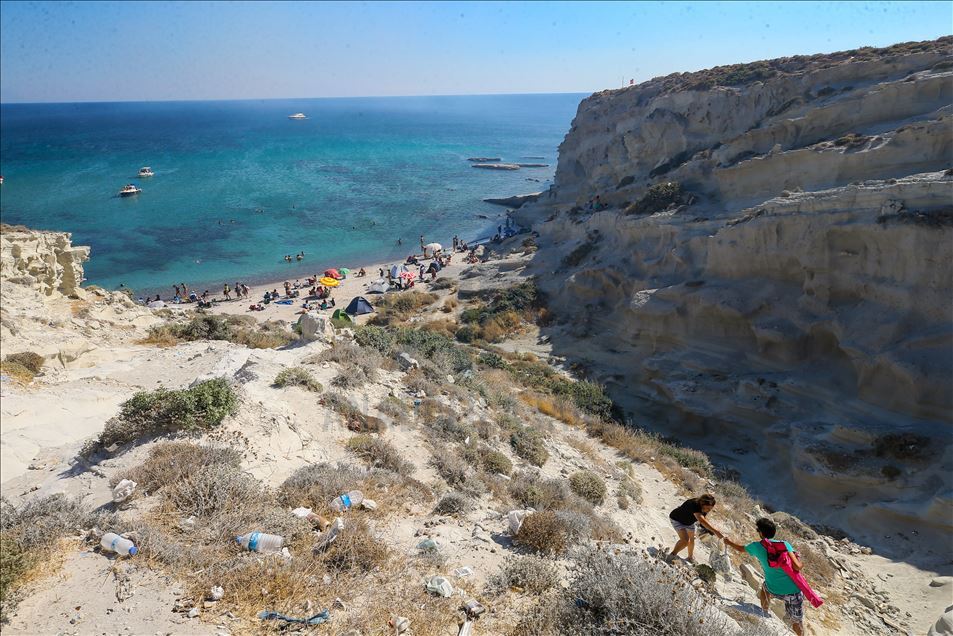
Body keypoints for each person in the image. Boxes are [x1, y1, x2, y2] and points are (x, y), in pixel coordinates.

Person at [723, 518, 810, 635]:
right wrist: (801, 560)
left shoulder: (756, 546)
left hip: (773, 588)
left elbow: (740, 548)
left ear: (761, 533)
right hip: (793, 592)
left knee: (765, 589)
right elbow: (798, 567)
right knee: (797, 623)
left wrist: (728, 542)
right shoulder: (785, 545)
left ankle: (764, 612)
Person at [666, 494, 723, 564]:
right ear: (702, 503)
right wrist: (715, 531)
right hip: (677, 520)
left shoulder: (704, 508)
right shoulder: (694, 505)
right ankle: (672, 555)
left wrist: (708, 530)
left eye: (710, 509)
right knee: (685, 541)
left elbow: (702, 521)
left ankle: (690, 557)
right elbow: (701, 520)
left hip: (689, 522)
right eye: (708, 508)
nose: (708, 510)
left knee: (691, 540)